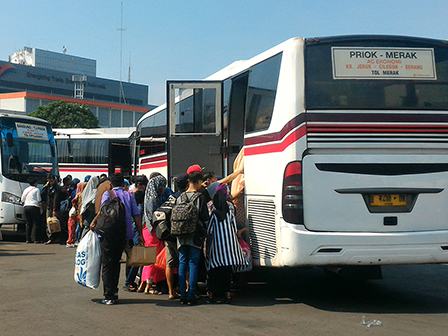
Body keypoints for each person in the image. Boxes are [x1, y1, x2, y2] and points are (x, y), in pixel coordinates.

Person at [91, 173, 144, 305]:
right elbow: (136, 216)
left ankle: (109, 295)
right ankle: (114, 291)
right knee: (117, 262)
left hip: (108, 234)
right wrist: (140, 234)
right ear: (123, 184)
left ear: (110, 184)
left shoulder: (107, 195)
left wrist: (94, 222)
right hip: (123, 234)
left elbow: (102, 212)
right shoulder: (128, 195)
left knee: (108, 264)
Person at [206, 188, 249, 304]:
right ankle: (227, 293)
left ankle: (212, 294)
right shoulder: (230, 214)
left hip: (216, 248)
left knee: (214, 271)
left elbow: (209, 231)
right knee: (226, 272)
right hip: (229, 248)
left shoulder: (214, 215)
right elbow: (234, 229)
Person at [176, 169, 209, 305]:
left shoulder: (179, 197)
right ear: (199, 182)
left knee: (182, 262)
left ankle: (183, 294)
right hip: (195, 234)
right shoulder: (200, 198)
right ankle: (191, 294)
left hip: (180, 234)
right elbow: (205, 218)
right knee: (193, 263)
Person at [140, 174, 171, 294]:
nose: (164, 188)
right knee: (154, 258)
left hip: (147, 229)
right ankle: (149, 285)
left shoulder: (149, 196)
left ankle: (145, 284)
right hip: (153, 230)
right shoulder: (154, 199)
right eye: (163, 186)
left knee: (150, 257)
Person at [44, 174, 67, 245]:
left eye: (51, 181)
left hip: (55, 208)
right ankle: (50, 238)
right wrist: (45, 186)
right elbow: (42, 193)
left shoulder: (57, 188)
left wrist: (54, 209)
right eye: (49, 181)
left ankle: (58, 238)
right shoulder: (47, 187)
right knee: (49, 223)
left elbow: (56, 199)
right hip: (48, 207)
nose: (50, 182)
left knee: (56, 223)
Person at [21, 177, 43, 243]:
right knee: (36, 223)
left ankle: (28, 239)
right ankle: (35, 239)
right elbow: (39, 199)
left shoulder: (26, 189)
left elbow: (22, 199)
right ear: (35, 183)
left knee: (28, 223)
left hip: (26, 207)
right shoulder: (37, 190)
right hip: (34, 207)